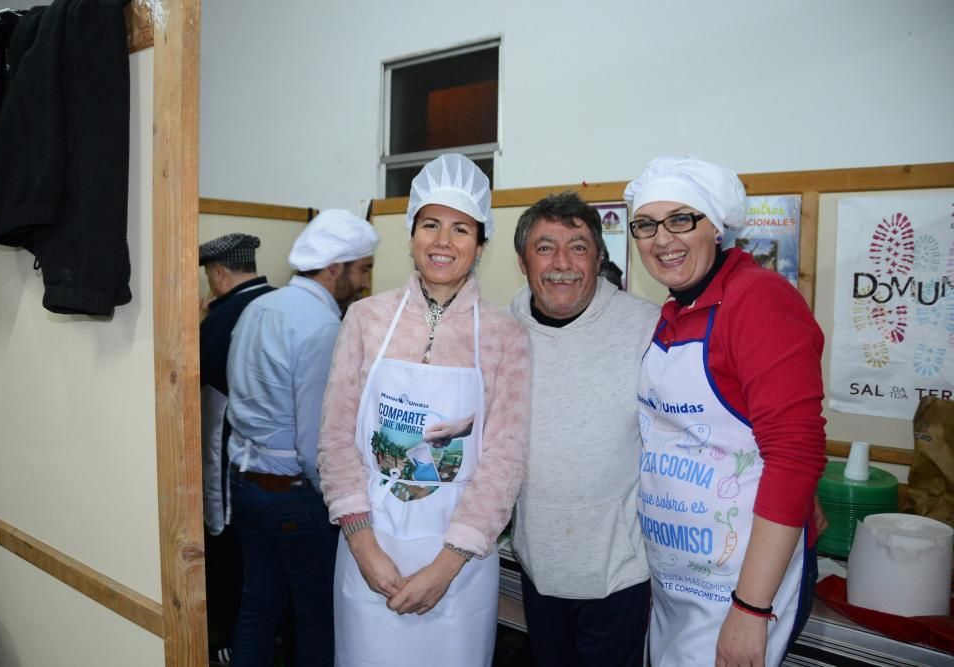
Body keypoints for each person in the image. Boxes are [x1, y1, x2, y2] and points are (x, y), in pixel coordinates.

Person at [318, 153, 530, 667]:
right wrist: (365, 548)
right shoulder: (366, 319)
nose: (443, 241)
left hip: (457, 566)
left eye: (461, 229)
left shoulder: (505, 338)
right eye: (430, 224)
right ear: (412, 234)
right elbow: (335, 440)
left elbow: (504, 462)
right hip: (368, 548)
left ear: (480, 245)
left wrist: (446, 565)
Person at [625, 156, 826, 666]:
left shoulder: (757, 300)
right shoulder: (676, 310)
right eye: (646, 225)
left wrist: (751, 608)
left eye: (681, 219)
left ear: (716, 226)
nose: (662, 238)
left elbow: (795, 454)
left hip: (737, 587)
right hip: (680, 582)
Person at [508, 192, 660, 667]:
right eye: (545, 247)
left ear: (599, 258)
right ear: (522, 261)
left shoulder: (647, 327)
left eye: (577, 247)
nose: (561, 264)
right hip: (538, 567)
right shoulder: (500, 331)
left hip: (619, 573)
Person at [224, 209, 379, 667]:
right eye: (363, 269)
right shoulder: (322, 327)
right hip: (294, 496)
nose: (367, 282)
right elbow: (318, 443)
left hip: (247, 485)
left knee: (258, 606)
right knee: (317, 618)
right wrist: (345, 501)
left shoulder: (259, 306)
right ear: (335, 268)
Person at [197, 233, 276, 663]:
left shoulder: (221, 320)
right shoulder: (282, 305)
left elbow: (200, 380)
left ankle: (227, 642)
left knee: (230, 558)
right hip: (286, 472)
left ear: (219, 273)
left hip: (230, 463)